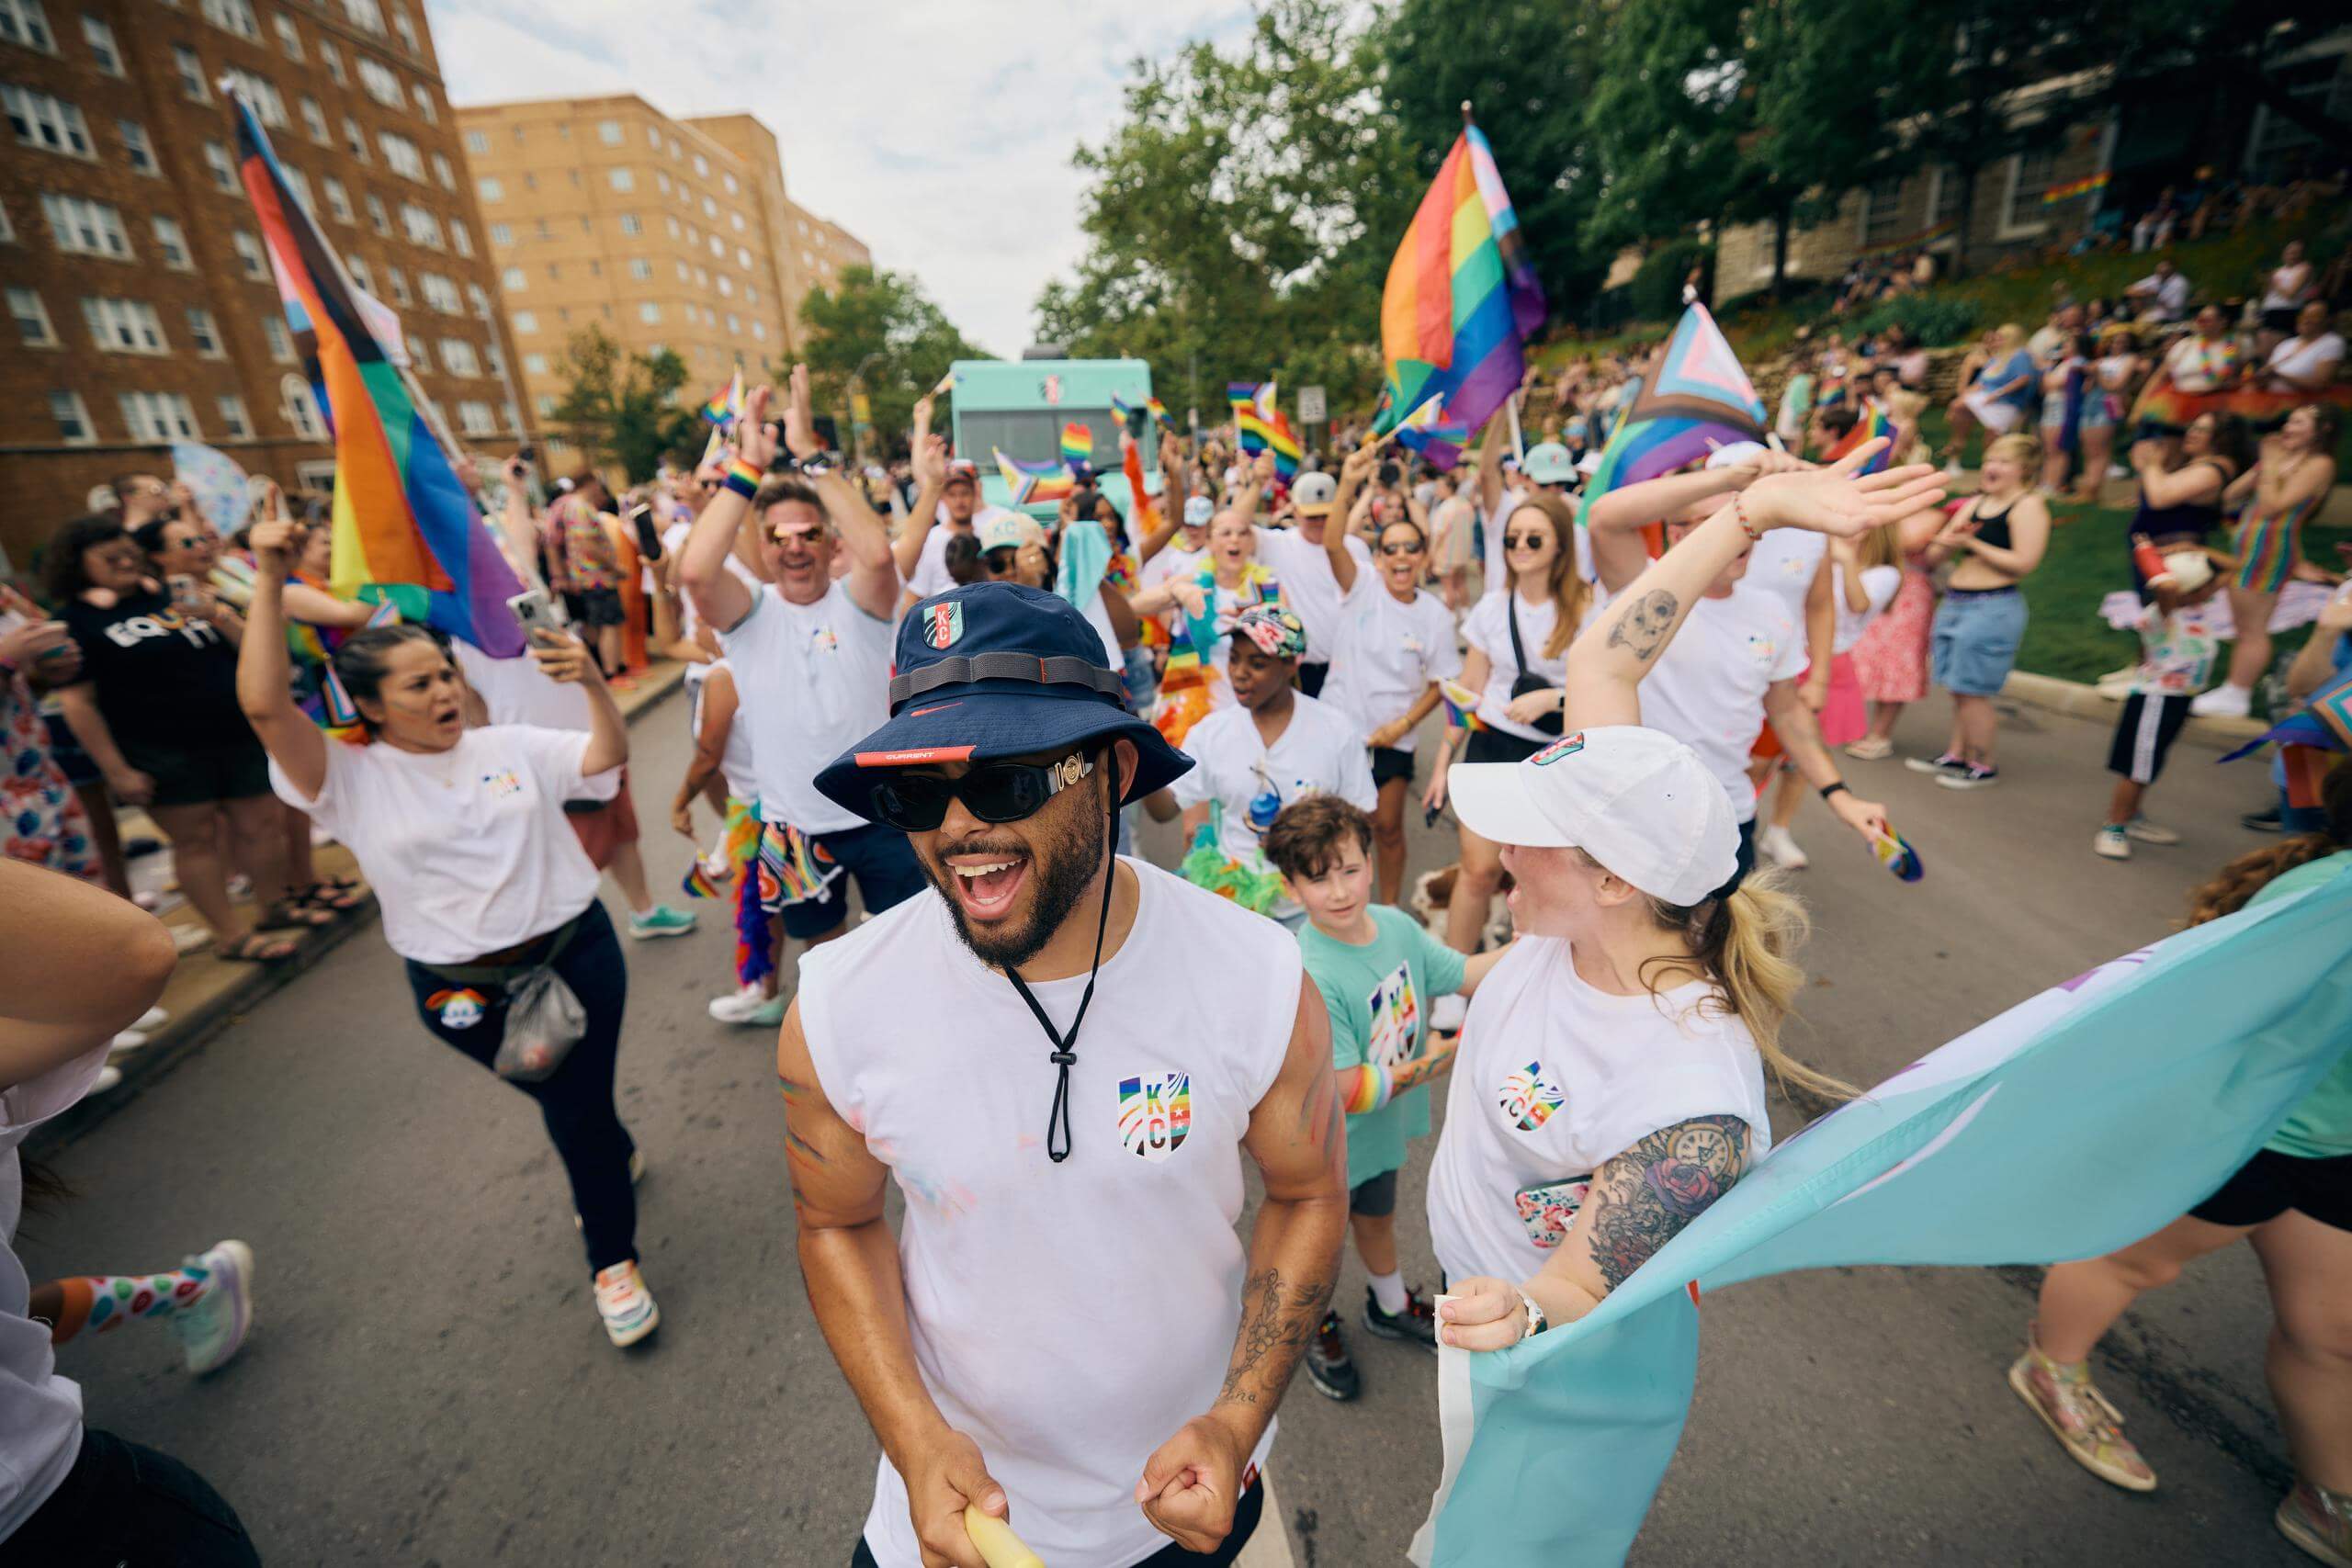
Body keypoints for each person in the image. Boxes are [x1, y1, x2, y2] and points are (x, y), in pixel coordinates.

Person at [784, 581, 1347, 1567]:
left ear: (1113, 768)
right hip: (957, 1523)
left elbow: (1306, 1197)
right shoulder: (839, 1003)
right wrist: (912, 1438)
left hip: (1192, 1500)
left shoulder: (1255, 975)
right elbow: (836, 1221)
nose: (958, 830)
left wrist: (1236, 1418)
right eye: (916, 791)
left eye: (1003, 779)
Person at [1426, 453, 1918, 1355]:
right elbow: (1605, 654)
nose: (1500, 858)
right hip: (1465, 1287)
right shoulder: (1581, 915)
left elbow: (1576, 1284)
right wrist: (1754, 509)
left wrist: (1524, 1317)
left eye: (1527, 836)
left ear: (1614, 878)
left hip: (1531, 1371)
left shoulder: (1690, 1108)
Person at [235, 517, 660, 1348]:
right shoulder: (343, 780)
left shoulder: (509, 744)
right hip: (462, 991)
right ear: (366, 705)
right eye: (416, 686)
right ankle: (607, 1151)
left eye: (442, 676)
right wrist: (268, 573)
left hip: (578, 955)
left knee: (573, 1109)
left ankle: (613, 1260)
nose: (440, 696)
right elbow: (261, 703)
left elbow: (602, 756)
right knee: (572, 1102)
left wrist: (592, 686)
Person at [2008, 757, 2352, 1565]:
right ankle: (2051, 1367)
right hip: (2246, 1132)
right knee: (2129, 1261)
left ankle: (2329, 1496)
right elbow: (2208, 1010)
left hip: (2334, 1149)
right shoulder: (2321, 893)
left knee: (2331, 1333)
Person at [0, 857, 265, 1566]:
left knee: (23, 1319)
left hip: (60, 1519)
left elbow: (129, 954)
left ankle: (191, 1289)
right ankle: (193, 1290)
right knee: (25, 1316)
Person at [1262, 795, 1509, 1402]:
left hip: (1376, 1134)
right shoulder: (1312, 971)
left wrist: (1549, 942)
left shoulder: (1396, 926)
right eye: (1318, 879)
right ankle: (1313, 1324)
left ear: (1370, 862)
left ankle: (1390, 1303)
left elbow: (1463, 970)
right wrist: (1446, 1056)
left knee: (1377, 1217)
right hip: (1320, 1143)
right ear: (1292, 888)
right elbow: (1351, 1089)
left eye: (1349, 869)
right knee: (1314, 1244)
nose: (1340, 890)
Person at [678, 371, 922, 964]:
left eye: (809, 533)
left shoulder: (860, 603)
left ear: (826, 540)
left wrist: (810, 454)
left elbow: (876, 553)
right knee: (827, 958)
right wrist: (748, 468)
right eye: (779, 535)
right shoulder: (751, 615)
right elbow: (695, 574)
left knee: (910, 949)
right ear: (762, 547)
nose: (794, 545)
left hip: (882, 814)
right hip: (794, 828)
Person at [1579, 450, 1916, 867]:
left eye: (1751, 526)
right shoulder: (1643, 591)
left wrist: (1839, 795)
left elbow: (1788, 713)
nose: (1745, 535)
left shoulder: (1772, 611)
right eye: (1726, 524)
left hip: (1728, 817)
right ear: (1679, 536)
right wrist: (1733, 481)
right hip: (1640, 818)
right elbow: (1605, 518)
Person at [46, 515, 303, 963]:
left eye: (129, 551)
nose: (126, 560)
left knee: (263, 826)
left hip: (236, 736)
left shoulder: (177, 593)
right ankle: (233, 935)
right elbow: (78, 704)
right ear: (78, 565)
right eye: (111, 557)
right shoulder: (74, 621)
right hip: (161, 753)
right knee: (196, 841)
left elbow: (256, 649)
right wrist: (117, 771)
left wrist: (218, 615)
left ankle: (275, 909)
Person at [1423, 491, 1588, 958]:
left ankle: (1530, 984)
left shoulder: (1587, 608)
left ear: (1559, 546)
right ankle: (1457, 990)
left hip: (1556, 758)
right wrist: (1441, 765)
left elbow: (1611, 692)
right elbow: (1468, 692)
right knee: (1478, 872)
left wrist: (1552, 697)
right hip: (1491, 746)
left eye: (1534, 538)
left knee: (1542, 881)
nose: (1520, 546)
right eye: (1512, 538)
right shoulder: (1492, 608)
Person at [1150, 606, 1375, 929]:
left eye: (1257, 663)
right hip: (1235, 901)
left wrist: (1334, 881)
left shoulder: (1336, 730)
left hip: (1312, 903)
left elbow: (1361, 818)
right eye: (1234, 658)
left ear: (1289, 665)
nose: (1239, 672)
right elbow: (1164, 810)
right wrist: (1141, 762)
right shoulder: (1211, 733)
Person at [1315, 447, 1462, 907]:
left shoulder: (1436, 616)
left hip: (1392, 739)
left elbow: (1443, 684)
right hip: (1337, 729)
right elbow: (1334, 542)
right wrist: (1348, 484)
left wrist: (1404, 725)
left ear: (1423, 557)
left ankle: (1390, 909)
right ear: (1378, 558)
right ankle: (1337, 906)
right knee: (1334, 830)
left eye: (1410, 548)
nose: (1401, 556)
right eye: (1390, 548)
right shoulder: (1361, 586)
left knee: (1388, 827)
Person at [1910, 434, 2052, 789]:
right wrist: (1946, 543)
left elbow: (2023, 562)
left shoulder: (2028, 506)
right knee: (1958, 686)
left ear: (2024, 469)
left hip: (1992, 605)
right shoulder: (1977, 503)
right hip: (1957, 602)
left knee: (1973, 690)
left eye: (2003, 462)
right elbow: (1934, 553)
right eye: (1990, 459)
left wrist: (1971, 542)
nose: (1991, 468)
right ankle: (1956, 753)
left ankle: (1983, 763)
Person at [1758, 522, 1901, 866]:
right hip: (1785, 657)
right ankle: (1739, 817)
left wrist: (1845, 561)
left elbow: (1856, 605)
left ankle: (1778, 830)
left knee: (1800, 762)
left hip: (1827, 667)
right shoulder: (1808, 552)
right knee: (1758, 756)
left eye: (1860, 526)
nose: (1847, 530)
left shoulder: (1884, 573)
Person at [2197, 404, 2341, 718]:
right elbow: (2231, 495)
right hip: (2249, 548)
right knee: (2242, 624)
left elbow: (2274, 506)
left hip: (2270, 551)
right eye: (2289, 420)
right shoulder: (2277, 462)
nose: (2288, 427)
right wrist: (2263, 468)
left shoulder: (2320, 465)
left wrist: (2272, 467)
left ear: (2323, 430)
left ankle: (2238, 693)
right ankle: (2233, 688)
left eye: (2299, 422)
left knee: (2253, 628)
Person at [2094, 547, 2229, 860]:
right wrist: (2149, 556)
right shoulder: (2160, 615)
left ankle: (2132, 816)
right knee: (2137, 767)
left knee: (2149, 763)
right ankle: (2114, 825)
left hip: (2178, 700)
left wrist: (2195, 552)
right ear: (2188, 590)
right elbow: (2166, 588)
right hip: (2155, 699)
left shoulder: (2196, 608)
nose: (2213, 588)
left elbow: (2233, 568)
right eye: (2205, 584)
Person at [669, 656, 777, 1025]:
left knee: (762, 901)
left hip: (762, 810)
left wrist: (681, 803)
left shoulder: (722, 676)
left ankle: (766, 992)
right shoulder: (773, 654)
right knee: (781, 900)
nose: (694, 619)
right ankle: (768, 989)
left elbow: (708, 755)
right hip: (766, 804)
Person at [1250, 470, 1370, 700]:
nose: (1319, 523)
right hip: (1299, 672)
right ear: (1294, 510)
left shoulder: (1356, 549)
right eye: (1311, 516)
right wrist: (1257, 482)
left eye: (1326, 515)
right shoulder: (1277, 544)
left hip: (1353, 668)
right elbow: (1236, 525)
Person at [1845, 506, 1949, 761]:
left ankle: (1880, 734)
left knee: (1898, 661)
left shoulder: (1934, 516)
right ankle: (1854, 727)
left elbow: (1909, 539)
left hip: (1910, 593)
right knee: (1864, 656)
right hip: (1874, 582)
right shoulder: (1887, 512)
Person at [549, 472, 628, 682]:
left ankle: (612, 670)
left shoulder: (574, 506)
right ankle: (612, 673)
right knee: (608, 625)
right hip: (598, 577)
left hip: (590, 577)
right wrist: (614, 567)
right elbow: (588, 544)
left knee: (600, 625)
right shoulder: (580, 507)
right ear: (590, 483)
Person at [1944, 323, 2039, 472]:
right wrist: (1962, 398)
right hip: (1987, 400)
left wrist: (1997, 394)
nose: (1997, 342)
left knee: (1992, 436)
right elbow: (1981, 383)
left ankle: (1989, 466)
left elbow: (2024, 379)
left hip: (2005, 402)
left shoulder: (2020, 355)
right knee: (1959, 409)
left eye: (2000, 338)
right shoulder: (1998, 359)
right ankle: (1955, 453)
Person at [2125, 256, 2189, 324]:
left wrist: (2155, 296)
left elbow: (2174, 306)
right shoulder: (2157, 278)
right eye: (2159, 268)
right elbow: (2128, 290)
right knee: (2134, 301)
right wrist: (2145, 294)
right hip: (2154, 311)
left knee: (2141, 322)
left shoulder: (2180, 284)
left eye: (2163, 268)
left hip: (2171, 316)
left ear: (2172, 270)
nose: (2159, 270)